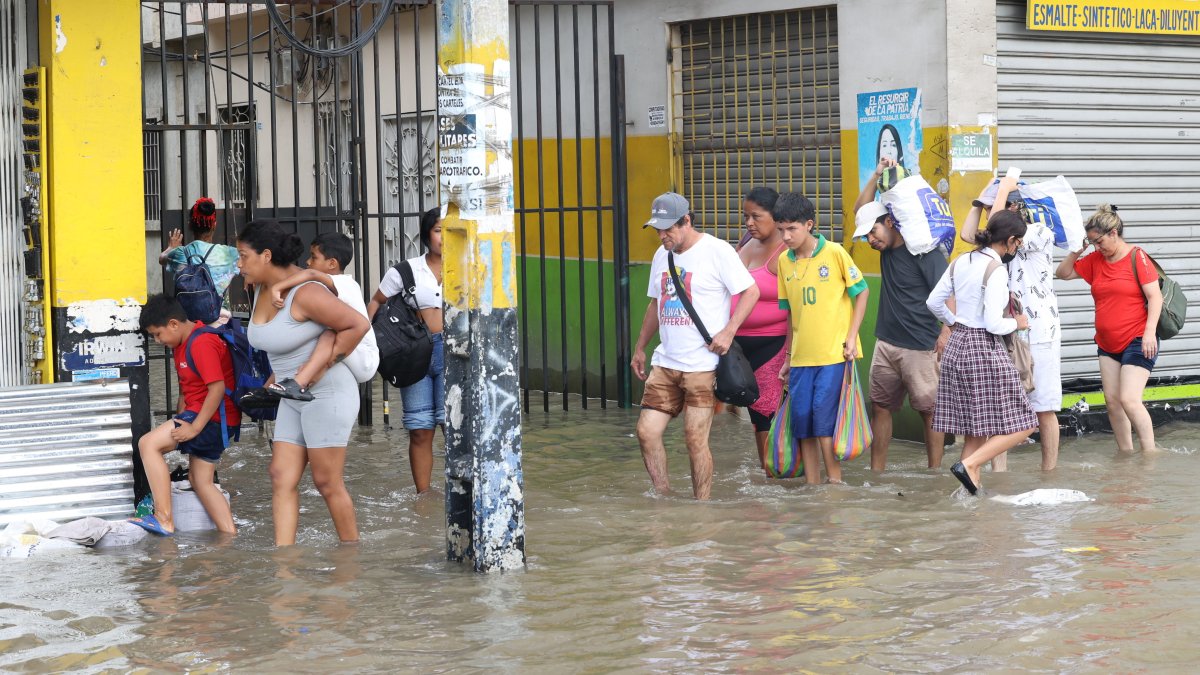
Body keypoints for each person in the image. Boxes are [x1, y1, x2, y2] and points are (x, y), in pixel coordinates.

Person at [238, 219, 370, 545]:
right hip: (291, 395)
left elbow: (357, 325)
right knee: (280, 476)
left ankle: (350, 556)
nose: (239, 265)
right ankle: (284, 561)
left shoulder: (306, 293)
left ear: (266, 255)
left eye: (243, 256)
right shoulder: (260, 289)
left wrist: (322, 367)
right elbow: (282, 346)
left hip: (328, 393)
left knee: (327, 482)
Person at [631, 192, 758, 500]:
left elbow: (751, 291)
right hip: (665, 362)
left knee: (694, 438)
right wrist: (640, 347)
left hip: (703, 365)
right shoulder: (662, 255)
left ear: (686, 221)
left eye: (667, 229)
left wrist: (728, 331)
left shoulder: (717, 251)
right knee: (646, 432)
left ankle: (702, 507)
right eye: (658, 230)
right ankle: (664, 498)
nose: (662, 236)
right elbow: (655, 303)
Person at [927, 210, 1038, 495]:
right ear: (1010, 240)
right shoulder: (996, 269)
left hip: (957, 346)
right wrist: (1018, 323)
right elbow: (994, 324)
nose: (1018, 247)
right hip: (983, 348)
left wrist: (954, 323)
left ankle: (967, 499)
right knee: (1025, 423)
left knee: (975, 431)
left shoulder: (961, 261)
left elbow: (933, 302)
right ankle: (971, 464)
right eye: (1019, 242)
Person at [852, 158, 950, 472]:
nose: (871, 240)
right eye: (866, 236)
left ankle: (934, 472)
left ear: (891, 222)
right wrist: (876, 174)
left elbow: (948, 293)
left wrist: (946, 332)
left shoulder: (924, 250)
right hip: (886, 343)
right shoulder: (885, 247)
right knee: (880, 407)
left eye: (873, 232)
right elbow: (861, 210)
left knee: (929, 411)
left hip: (921, 346)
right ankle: (877, 472)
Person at [961, 183, 1062, 471]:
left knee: (1043, 408)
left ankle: (1048, 474)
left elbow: (999, 226)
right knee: (1001, 409)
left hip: (1040, 332)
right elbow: (968, 235)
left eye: (993, 208)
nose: (989, 216)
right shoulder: (997, 241)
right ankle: (999, 475)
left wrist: (1004, 187)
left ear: (1014, 208)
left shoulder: (1039, 233)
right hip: (1005, 328)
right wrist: (978, 203)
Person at [775, 192, 870, 484]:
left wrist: (852, 337)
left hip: (833, 355)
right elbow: (790, 314)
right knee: (802, 421)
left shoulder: (835, 252)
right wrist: (788, 357)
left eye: (792, 229)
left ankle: (835, 484)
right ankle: (813, 486)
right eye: (781, 229)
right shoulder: (783, 261)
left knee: (824, 421)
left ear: (809, 224)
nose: (786, 236)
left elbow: (862, 291)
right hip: (801, 358)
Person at [130, 294, 240, 536]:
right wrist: (181, 418)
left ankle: (163, 519)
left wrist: (194, 427)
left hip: (211, 419)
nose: (157, 341)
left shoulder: (202, 343)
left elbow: (217, 389)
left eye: (157, 334)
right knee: (200, 481)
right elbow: (186, 389)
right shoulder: (183, 342)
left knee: (148, 444)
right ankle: (229, 536)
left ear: (173, 324)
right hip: (211, 418)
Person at [1055, 204, 1162, 454]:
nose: (1096, 247)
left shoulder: (1137, 257)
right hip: (1107, 343)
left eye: (1099, 241)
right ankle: (1126, 454)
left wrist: (1149, 333)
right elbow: (1063, 273)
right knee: (1112, 402)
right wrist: (1077, 250)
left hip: (1138, 339)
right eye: (1092, 242)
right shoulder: (1095, 260)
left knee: (1129, 400)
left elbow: (1155, 297)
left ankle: (1150, 455)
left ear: (1113, 233)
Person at [366, 208, 444, 493]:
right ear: (427, 235)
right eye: (439, 231)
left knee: (453, 426)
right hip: (415, 353)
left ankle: (462, 496)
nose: (444, 238)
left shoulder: (469, 268)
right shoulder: (405, 270)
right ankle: (423, 498)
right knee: (420, 429)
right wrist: (371, 342)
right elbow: (376, 303)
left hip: (454, 353)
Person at [265, 232, 380, 399]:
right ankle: (269, 389)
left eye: (313, 257)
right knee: (309, 340)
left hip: (364, 357)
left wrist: (277, 288)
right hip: (352, 353)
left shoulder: (345, 283)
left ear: (332, 263)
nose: (307, 262)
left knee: (327, 334)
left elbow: (310, 274)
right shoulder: (325, 286)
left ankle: (299, 382)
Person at [733, 187, 789, 473]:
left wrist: (790, 352)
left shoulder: (786, 252)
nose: (749, 223)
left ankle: (777, 475)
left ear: (775, 216)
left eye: (756, 216)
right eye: (746, 217)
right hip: (738, 345)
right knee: (755, 412)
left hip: (773, 344)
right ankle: (768, 475)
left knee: (768, 411)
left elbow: (797, 307)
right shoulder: (746, 244)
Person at [160, 197, 240, 322]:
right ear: (214, 224)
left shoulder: (180, 253)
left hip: (188, 323)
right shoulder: (229, 254)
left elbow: (162, 259)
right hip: (220, 322)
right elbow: (251, 261)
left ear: (190, 224)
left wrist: (171, 248)